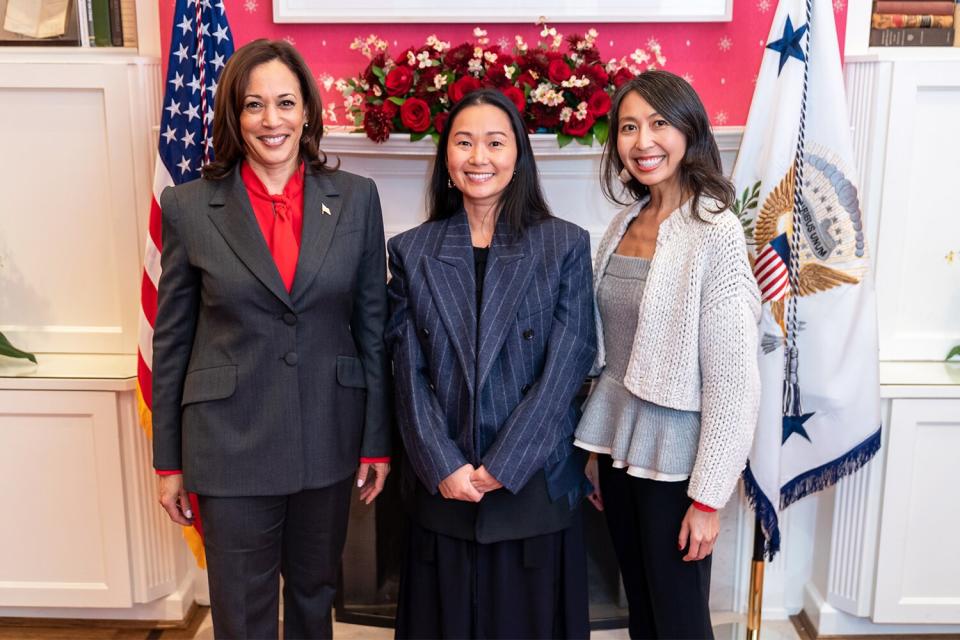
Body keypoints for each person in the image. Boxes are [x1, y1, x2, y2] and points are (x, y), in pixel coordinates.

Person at [152, 39, 391, 639]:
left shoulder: (358, 200)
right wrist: (168, 460)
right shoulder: (187, 207)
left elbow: (373, 328)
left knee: (315, 597)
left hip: (328, 437)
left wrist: (376, 442)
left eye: (285, 103)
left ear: (308, 110)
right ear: (234, 116)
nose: (271, 119)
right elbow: (172, 341)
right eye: (254, 105)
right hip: (229, 445)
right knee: (242, 610)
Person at [385, 89, 597, 639]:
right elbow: (406, 372)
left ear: (518, 155)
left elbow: (568, 365)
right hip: (445, 487)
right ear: (446, 159)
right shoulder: (412, 250)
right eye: (464, 142)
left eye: (495, 142)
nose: (479, 157)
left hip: (533, 486)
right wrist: (442, 464)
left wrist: (508, 462)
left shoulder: (564, 245)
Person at [575, 70, 761, 639]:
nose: (642, 141)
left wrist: (708, 498)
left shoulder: (715, 230)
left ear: (689, 131)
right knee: (644, 614)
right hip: (619, 450)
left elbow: (734, 381)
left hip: (678, 461)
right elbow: (611, 354)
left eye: (658, 124)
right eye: (628, 128)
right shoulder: (623, 223)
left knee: (679, 619)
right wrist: (595, 449)